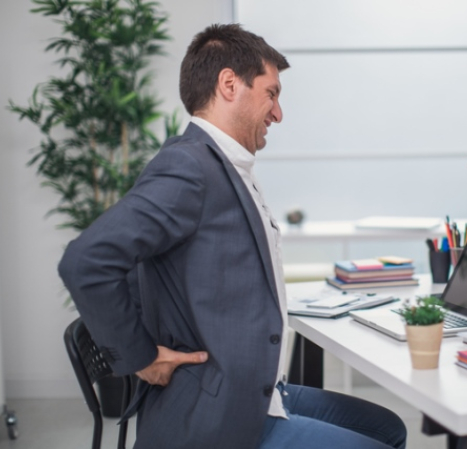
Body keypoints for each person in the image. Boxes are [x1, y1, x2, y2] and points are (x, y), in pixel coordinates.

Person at [58, 23, 407, 449]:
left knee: (390, 428)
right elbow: (87, 260)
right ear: (229, 85)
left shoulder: (224, 165)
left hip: (258, 393)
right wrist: (143, 358)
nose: (278, 113)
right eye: (272, 94)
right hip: (218, 414)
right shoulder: (189, 167)